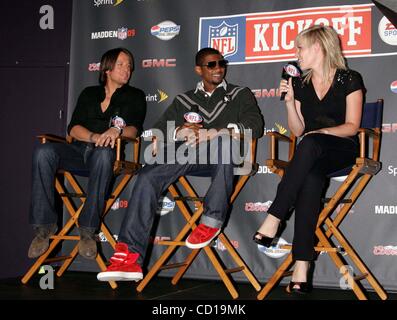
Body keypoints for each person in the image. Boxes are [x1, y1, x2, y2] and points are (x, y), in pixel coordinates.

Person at [97, 47, 264, 282]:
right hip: (190, 156)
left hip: (226, 156)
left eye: (221, 63)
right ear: (199, 69)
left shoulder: (240, 94)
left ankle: (211, 220)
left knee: (223, 140)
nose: (219, 68)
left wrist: (213, 132)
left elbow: (255, 126)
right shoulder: (185, 99)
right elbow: (157, 130)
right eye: (211, 64)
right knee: (146, 176)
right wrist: (179, 131)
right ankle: (129, 256)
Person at [253, 25, 365, 294]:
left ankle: (274, 215)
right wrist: (290, 102)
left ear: (319, 48)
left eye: (300, 47)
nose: (296, 54)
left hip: (342, 148)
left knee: (311, 142)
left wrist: (322, 131)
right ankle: (302, 267)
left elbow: (352, 125)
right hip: (312, 154)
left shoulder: (349, 79)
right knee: (311, 178)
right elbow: (298, 130)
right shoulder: (300, 84)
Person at [28, 47, 147, 260]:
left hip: (109, 155)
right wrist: (93, 136)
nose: (127, 69)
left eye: (129, 65)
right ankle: (44, 228)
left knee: (103, 154)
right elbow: (73, 129)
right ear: (107, 69)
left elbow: (134, 130)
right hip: (78, 150)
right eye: (121, 64)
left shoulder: (135, 95)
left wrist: (116, 131)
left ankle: (87, 231)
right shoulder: (89, 93)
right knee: (43, 151)